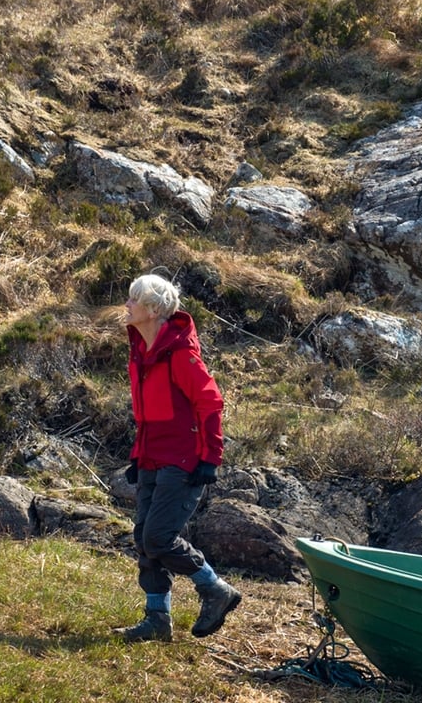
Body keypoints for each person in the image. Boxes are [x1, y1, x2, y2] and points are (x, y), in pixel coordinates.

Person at [114, 273, 241, 642]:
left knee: (158, 538)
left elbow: (210, 402)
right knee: (143, 539)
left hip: (183, 461)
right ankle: (157, 620)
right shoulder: (141, 353)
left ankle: (215, 588)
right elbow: (147, 414)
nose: (127, 305)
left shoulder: (181, 355)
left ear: (152, 310)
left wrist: (210, 458)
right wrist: (139, 456)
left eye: (133, 300)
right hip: (152, 458)